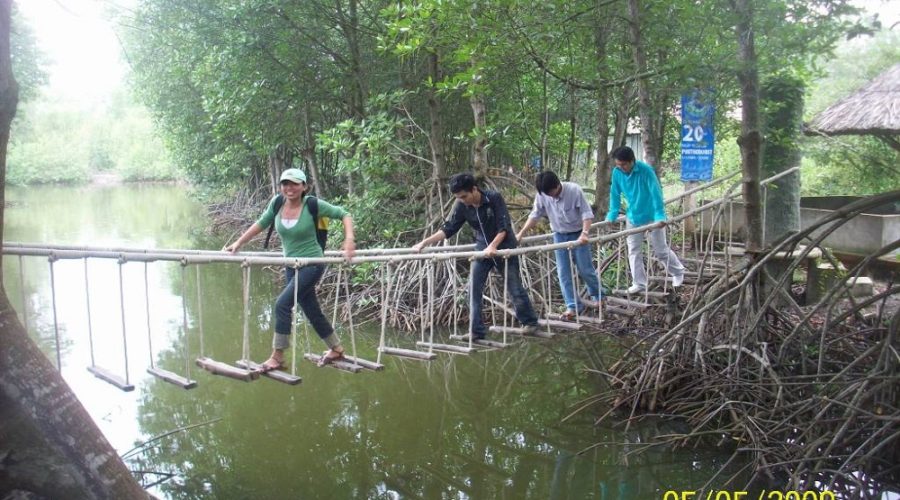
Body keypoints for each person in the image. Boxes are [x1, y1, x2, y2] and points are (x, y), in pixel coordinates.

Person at [223, 168, 356, 370]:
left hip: (312, 264)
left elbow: (344, 214)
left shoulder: (312, 205)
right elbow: (261, 223)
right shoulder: (277, 203)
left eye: (294, 183)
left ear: (304, 186)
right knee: (311, 309)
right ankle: (336, 348)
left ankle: (277, 356)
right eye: (285, 183)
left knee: (282, 305)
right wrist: (238, 243)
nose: (289, 188)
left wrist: (349, 239)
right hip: (291, 266)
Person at [412, 173, 539, 339]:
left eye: (464, 196)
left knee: (513, 286)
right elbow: (449, 228)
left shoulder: (493, 198)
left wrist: (493, 246)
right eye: (458, 198)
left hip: (504, 246)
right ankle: (476, 331)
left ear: (474, 189)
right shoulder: (462, 205)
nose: (462, 200)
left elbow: (504, 226)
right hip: (482, 248)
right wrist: (424, 242)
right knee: (473, 288)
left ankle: (530, 322)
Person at [516, 171, 602, 320]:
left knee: (585, 269)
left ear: (557, 185)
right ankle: (573, 306)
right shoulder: (543, 195)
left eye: (551, 193)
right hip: (559, 235)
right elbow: (535, 215)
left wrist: (585, 233)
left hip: (578, 233)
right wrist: (521, 233)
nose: (550, 197)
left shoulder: (574, 190)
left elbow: (586, 213)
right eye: (547, 194)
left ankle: (598, 295)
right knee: (563, 272)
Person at [605, 146, 685, 293]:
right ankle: (639, 283)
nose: (621, 167)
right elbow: (615, 194)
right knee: (633, 250)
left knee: (660, 250)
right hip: (633, 216)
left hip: (652, 215)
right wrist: (612, 214)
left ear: (632, 161)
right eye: (618, 165)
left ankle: (678, 272)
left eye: (624, 164)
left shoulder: (646, 170)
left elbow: (656, 193)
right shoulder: (617, 172)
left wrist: (660, 215)